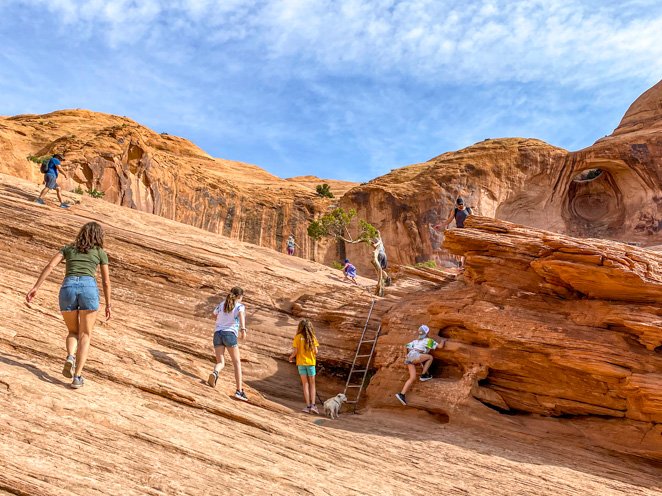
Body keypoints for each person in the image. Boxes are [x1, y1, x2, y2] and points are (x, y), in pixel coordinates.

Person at [26, 222, 111, 389]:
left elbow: (51, 265)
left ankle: (70, 355)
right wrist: (108, 304)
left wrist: (36, 287)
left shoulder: (68, 248)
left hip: (68, 288)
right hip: (88, 288)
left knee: (73, 331)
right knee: (85, 335)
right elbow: (106, 281)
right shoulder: (100, 252)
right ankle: (77, 377)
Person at [208, 286, 249, 401]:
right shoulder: (240, 306)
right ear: (240, 296)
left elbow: (213, 315)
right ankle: (239, 391)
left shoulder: (222, 304)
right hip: (229, 334)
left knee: (221, 362)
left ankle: (215, 373)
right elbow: (241, 316)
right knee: (237, 363)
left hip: (218, 334)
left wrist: (220, 320)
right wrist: (243, 329)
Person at [395, 325, 440, 406]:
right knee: (430, 357)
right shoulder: (428, 340)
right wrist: (444, 341)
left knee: (412, 378)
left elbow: (406, 346)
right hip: (416, 355)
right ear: (427, 332)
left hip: (409, 356)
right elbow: (440, 346)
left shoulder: (416, 341)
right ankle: (423, 375)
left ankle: (402, 394)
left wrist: (406, 356)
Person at [288, 319, 320, 414]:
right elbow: (316, 351)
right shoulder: (312, 337)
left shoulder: (298, 337)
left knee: (305, 384)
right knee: (312, 384)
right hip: (310, 363)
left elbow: (296, 351)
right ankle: (313, 405)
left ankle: (308, 406)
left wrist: (291, 357)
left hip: (301, 363)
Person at [435, 198, 473, 269]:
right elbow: (449, 220)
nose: (460, 206)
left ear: (463, 203)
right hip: (459, 231)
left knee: (465, 248)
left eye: (461, 205)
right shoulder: (455, 211)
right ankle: (459, 263)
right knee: (459, 248)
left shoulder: (469, 210)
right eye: (459, 205)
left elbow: (474, 219)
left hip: (467, 231)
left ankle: (463, 265)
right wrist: (440, 225)